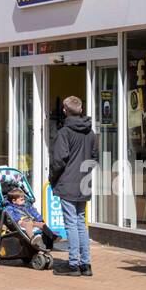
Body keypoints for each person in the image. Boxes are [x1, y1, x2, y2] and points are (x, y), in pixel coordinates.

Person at [49, 95, 96, 277]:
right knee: (80, 223)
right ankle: (86, 264)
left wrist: (53, 178)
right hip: (84, 184)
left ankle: (74, 264)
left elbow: (58, 161)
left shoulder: (64, 132)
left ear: (64, 111)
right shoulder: (90, 133)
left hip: (67, 183)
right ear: (81, 110)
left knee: (71, 224)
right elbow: (95, 158)